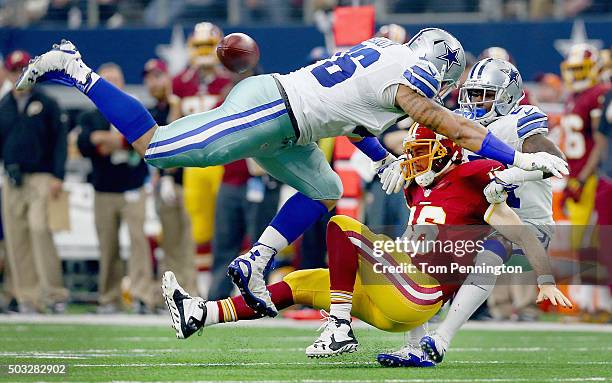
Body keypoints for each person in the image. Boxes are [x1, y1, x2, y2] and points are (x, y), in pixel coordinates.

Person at [17, 29, 568, 319]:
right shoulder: (416, 76)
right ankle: (76, 67)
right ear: (440, 65)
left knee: (326, 189)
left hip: (294, 125)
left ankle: (254, 262)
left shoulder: (384, 56)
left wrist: (388, 160)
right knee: (157, 149)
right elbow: (436, 117)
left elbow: (355, 119)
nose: (445, 89)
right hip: (276, 108)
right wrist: (513, 157)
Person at [160, 124, 571, 360]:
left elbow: (510, 213)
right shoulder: (418, 188)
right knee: (303, 280)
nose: (413, 159)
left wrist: (531, 168)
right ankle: (203, 313)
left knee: (342, 225)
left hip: (420, 294)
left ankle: (339, 325)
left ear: (446, 153)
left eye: (423, 151)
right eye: (413, 151)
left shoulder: (472, 174)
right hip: (396, 303)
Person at [385, 58, 566, 366]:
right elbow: (430, 152)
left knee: (493, 250)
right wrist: (404, 165)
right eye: (473, 93)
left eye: (486, 94)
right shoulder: (462, 123)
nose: (477, 101)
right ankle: (415, 347)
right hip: (478, 216)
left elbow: (556, 162)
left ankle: (441, 340)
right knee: (418, 251)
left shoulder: (521, 120)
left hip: (524, 222)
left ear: (508, 95)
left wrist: (512, 175)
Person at [76, 62, 155, 313]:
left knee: (138, 242)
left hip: (133, 187)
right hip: (104, 189)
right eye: (105, 79)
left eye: (115, 79)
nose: (111, 84)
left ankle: (142, 294)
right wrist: (114, 141)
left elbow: (143, 141)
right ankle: (109, 298)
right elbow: (84, 143)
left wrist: (110, 141)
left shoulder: (133, 109)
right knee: (108, 245)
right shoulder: (90, 115)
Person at [0, 49, 68, 313]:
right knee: (17, 237)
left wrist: (58, 175)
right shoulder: (4, 104)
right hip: (12, 178)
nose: (19, 75)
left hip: (41, 176)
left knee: (40, 231)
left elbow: (60, 140)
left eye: (23, 69)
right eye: (15, 70)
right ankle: (28, 296)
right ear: (8, 72)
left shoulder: (47, 102)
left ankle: (54, 294)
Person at [558, 44, 611, 318]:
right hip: (576, 177)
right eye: (573, 69)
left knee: (597, 243)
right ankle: (593, 304)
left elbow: (600, 142)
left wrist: (583, 176)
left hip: (590, 178)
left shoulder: (599, 95)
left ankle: (601, 304)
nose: (577, 75)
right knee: (584, 245)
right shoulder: (574, 96)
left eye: (582, 69)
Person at [143, 58, 197, 295]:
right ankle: (174, 293)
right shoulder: (154, 110)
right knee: (171, 243)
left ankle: (191, 292)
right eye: (149, 78)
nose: (154, 83)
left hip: (185, 182)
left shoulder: (178, 105)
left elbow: (176, 143)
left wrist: (167, 175)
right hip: (165, 183)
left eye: (158, 76)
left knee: (185, 243)